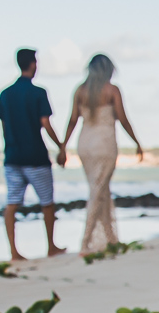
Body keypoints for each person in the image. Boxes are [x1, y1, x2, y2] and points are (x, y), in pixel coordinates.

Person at [60, 54, 143, 254]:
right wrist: (136, 142)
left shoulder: (80, 91)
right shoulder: (111, 90)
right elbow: (123, 119)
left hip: (85, 143)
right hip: (104, 143)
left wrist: (63, 146)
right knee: (98, 191)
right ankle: (86, 241)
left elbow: (72, 121)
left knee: (100, 189)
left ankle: (110, 238)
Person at [0, 48, 67, 261]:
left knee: (12, 203)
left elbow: (4, 125)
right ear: (33, 64)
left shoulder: (5, 94)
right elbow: (45, 123)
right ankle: (51, 246)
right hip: (36, 156)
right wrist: (61, 146)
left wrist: (10, 147)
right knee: (47, 203)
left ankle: (14, 252)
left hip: (13, 157)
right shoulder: (38, 93)